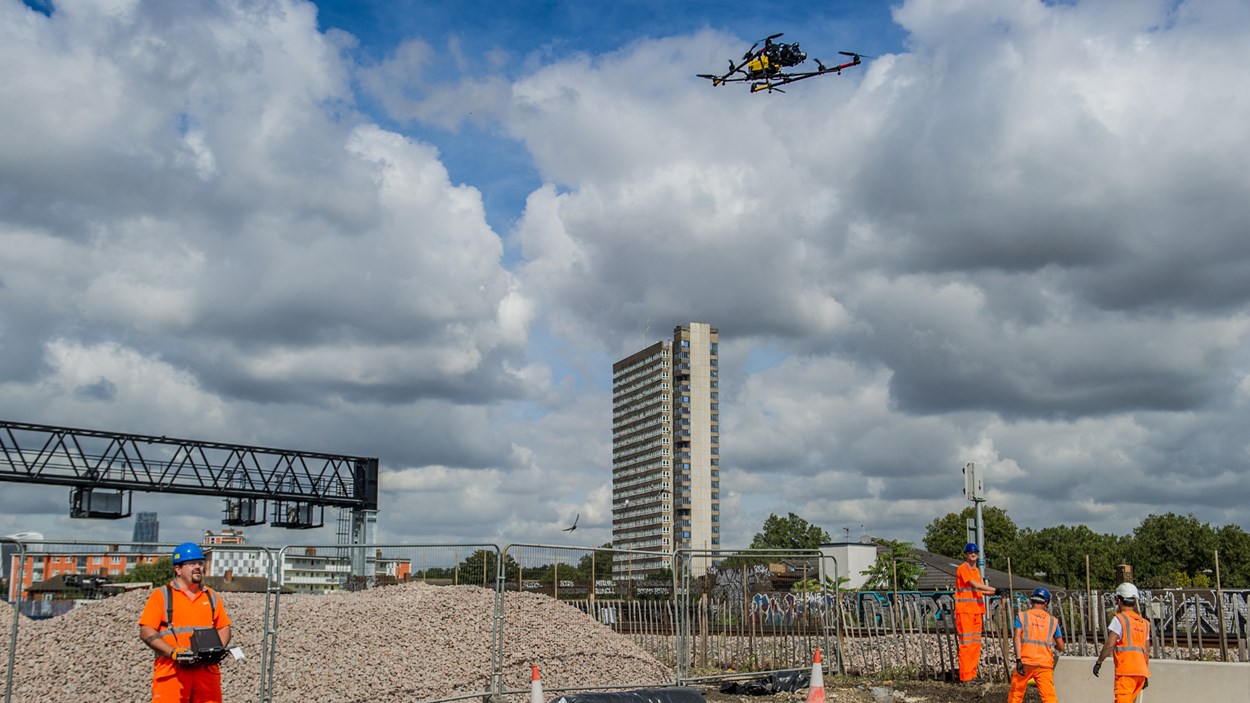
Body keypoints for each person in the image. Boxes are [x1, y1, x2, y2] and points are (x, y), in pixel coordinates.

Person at [138, 542, 232, 703]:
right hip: (172, 673)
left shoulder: (211, 596)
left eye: (200, 563)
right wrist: (173, 652)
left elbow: (224, 627)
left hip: (206, 674)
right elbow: (146, 630)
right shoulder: (162, 596)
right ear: (178, 569)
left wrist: (216, 651)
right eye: (192, 563)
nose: (198, 567)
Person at [1093, 582, 1150, 703]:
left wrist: (1099, 662)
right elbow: (1147, 650)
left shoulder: (1120, 619)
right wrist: (1144, 672)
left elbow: (1109, 644)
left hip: (1126, 671)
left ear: (1118, 600)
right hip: (1140, 672)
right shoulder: (1144, 623)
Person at [954, 542, 1002, 684]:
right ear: (966, 555)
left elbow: (980, 589)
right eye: (970, 552)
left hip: (975, 611)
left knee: (975, 645)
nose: (973, 554)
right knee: (967, 645)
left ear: (978, 555)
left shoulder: (976, 572)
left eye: (975, 552)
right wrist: (994, 589)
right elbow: (974, 585)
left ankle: (972, 675)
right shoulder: (963, 569)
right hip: (965, 611)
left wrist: (996, 592)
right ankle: (965, 677)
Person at [1008, 587, 1065, 703]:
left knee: (1016, 695)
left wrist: (1018, 660)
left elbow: (1017, 638)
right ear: (1046, 602)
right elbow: (1061, 646)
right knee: (1049, 697)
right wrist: (1055, 648)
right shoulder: (1053, 621)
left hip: (1025, 662)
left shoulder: (1022, 616)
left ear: (1032, 600)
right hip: (1044, 664)